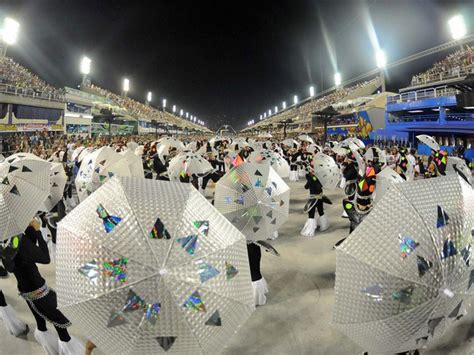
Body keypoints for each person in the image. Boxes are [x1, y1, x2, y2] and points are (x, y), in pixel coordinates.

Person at [10, 219, 84, 354]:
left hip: (26, 290)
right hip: (38, 290)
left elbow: (25, 256)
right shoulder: (19, 240)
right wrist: (38, 231)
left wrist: (30, 230)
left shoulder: (6, 241)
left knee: (41, 322)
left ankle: (51, 347)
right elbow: (44, 258)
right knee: (60, 324)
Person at [300, 166, 331, 236]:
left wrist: (309, 179)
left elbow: (306, 187)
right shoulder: (319, 178)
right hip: (320, 198)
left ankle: (310, 230)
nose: (309, 170)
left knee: (311, 214)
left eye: (310, 169)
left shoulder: (311, 178)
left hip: (313, 198)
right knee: (321, 211)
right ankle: (324, 226)